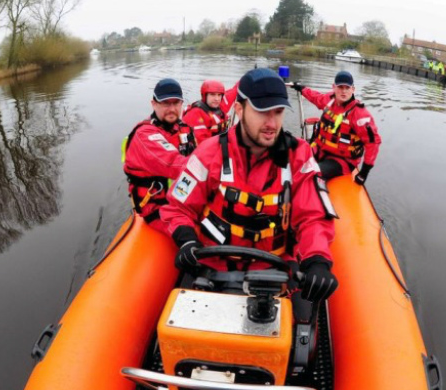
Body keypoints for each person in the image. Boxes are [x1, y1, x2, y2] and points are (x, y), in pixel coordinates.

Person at [160, 68, 339, 303]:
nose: (272, 123)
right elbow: (178, 207)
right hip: (212, 266)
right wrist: (186, 239)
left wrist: (316, 260)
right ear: (239, 109)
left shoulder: (299, 155)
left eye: (278, 112)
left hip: (275, 270)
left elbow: (313, 215)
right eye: (262, 112)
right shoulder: (209, 153)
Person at [122, 78, 197, 233]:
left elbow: (199, 154)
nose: (171, 108)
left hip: (185, 199)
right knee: (204, 238)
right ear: (154, 104)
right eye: (165, 103)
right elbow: (174, 164)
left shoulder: (185, 129)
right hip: (159, 210)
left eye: (176, 103)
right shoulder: (144, 135)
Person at [290, 70, 382, 184]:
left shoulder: (360, 115)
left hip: (342, 160)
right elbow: (316, 97)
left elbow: (373, 143)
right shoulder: (330, 100)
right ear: (334, 87)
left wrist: (364, 173)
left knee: (311, 173)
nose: (343, 91)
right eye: (340, 87)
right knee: (293, 160)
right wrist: (302, 89)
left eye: (347, 88)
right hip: (320, 149)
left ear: (353, 89)